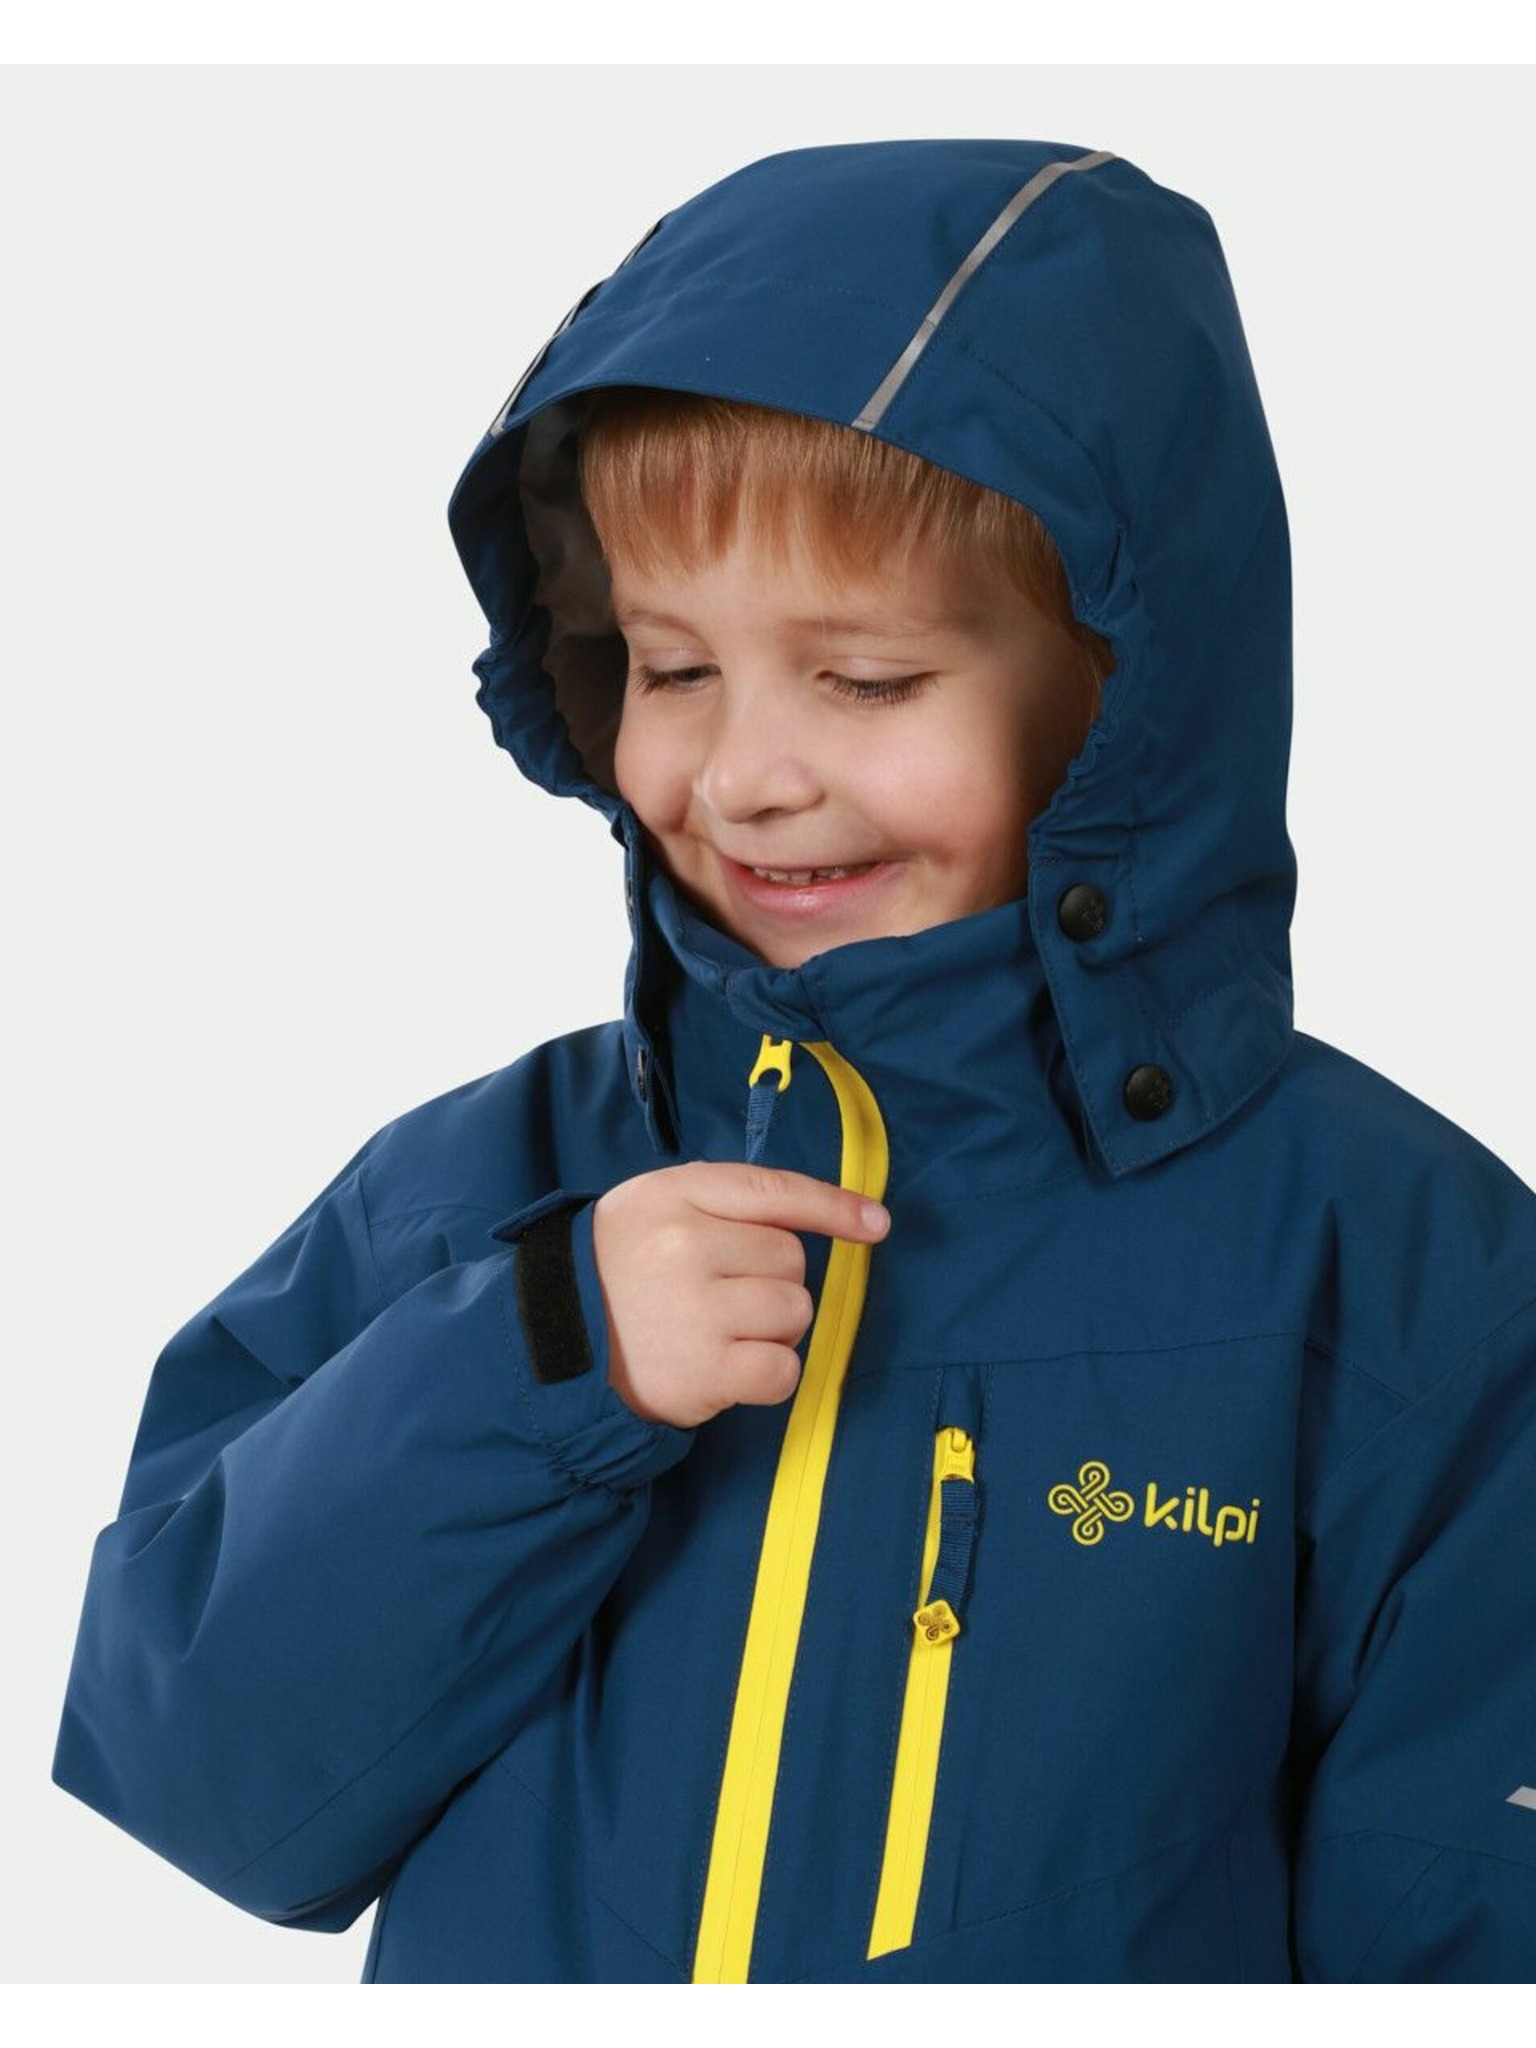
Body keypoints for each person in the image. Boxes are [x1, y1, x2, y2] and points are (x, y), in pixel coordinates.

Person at [52, 138, 1536, 1984]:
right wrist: (546, 1362)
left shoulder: (1394, 1274)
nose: (748, 776)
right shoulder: (474, 1201)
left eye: (866, 681)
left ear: (1118, 697)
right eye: (673, 669)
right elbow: (201, 1774)